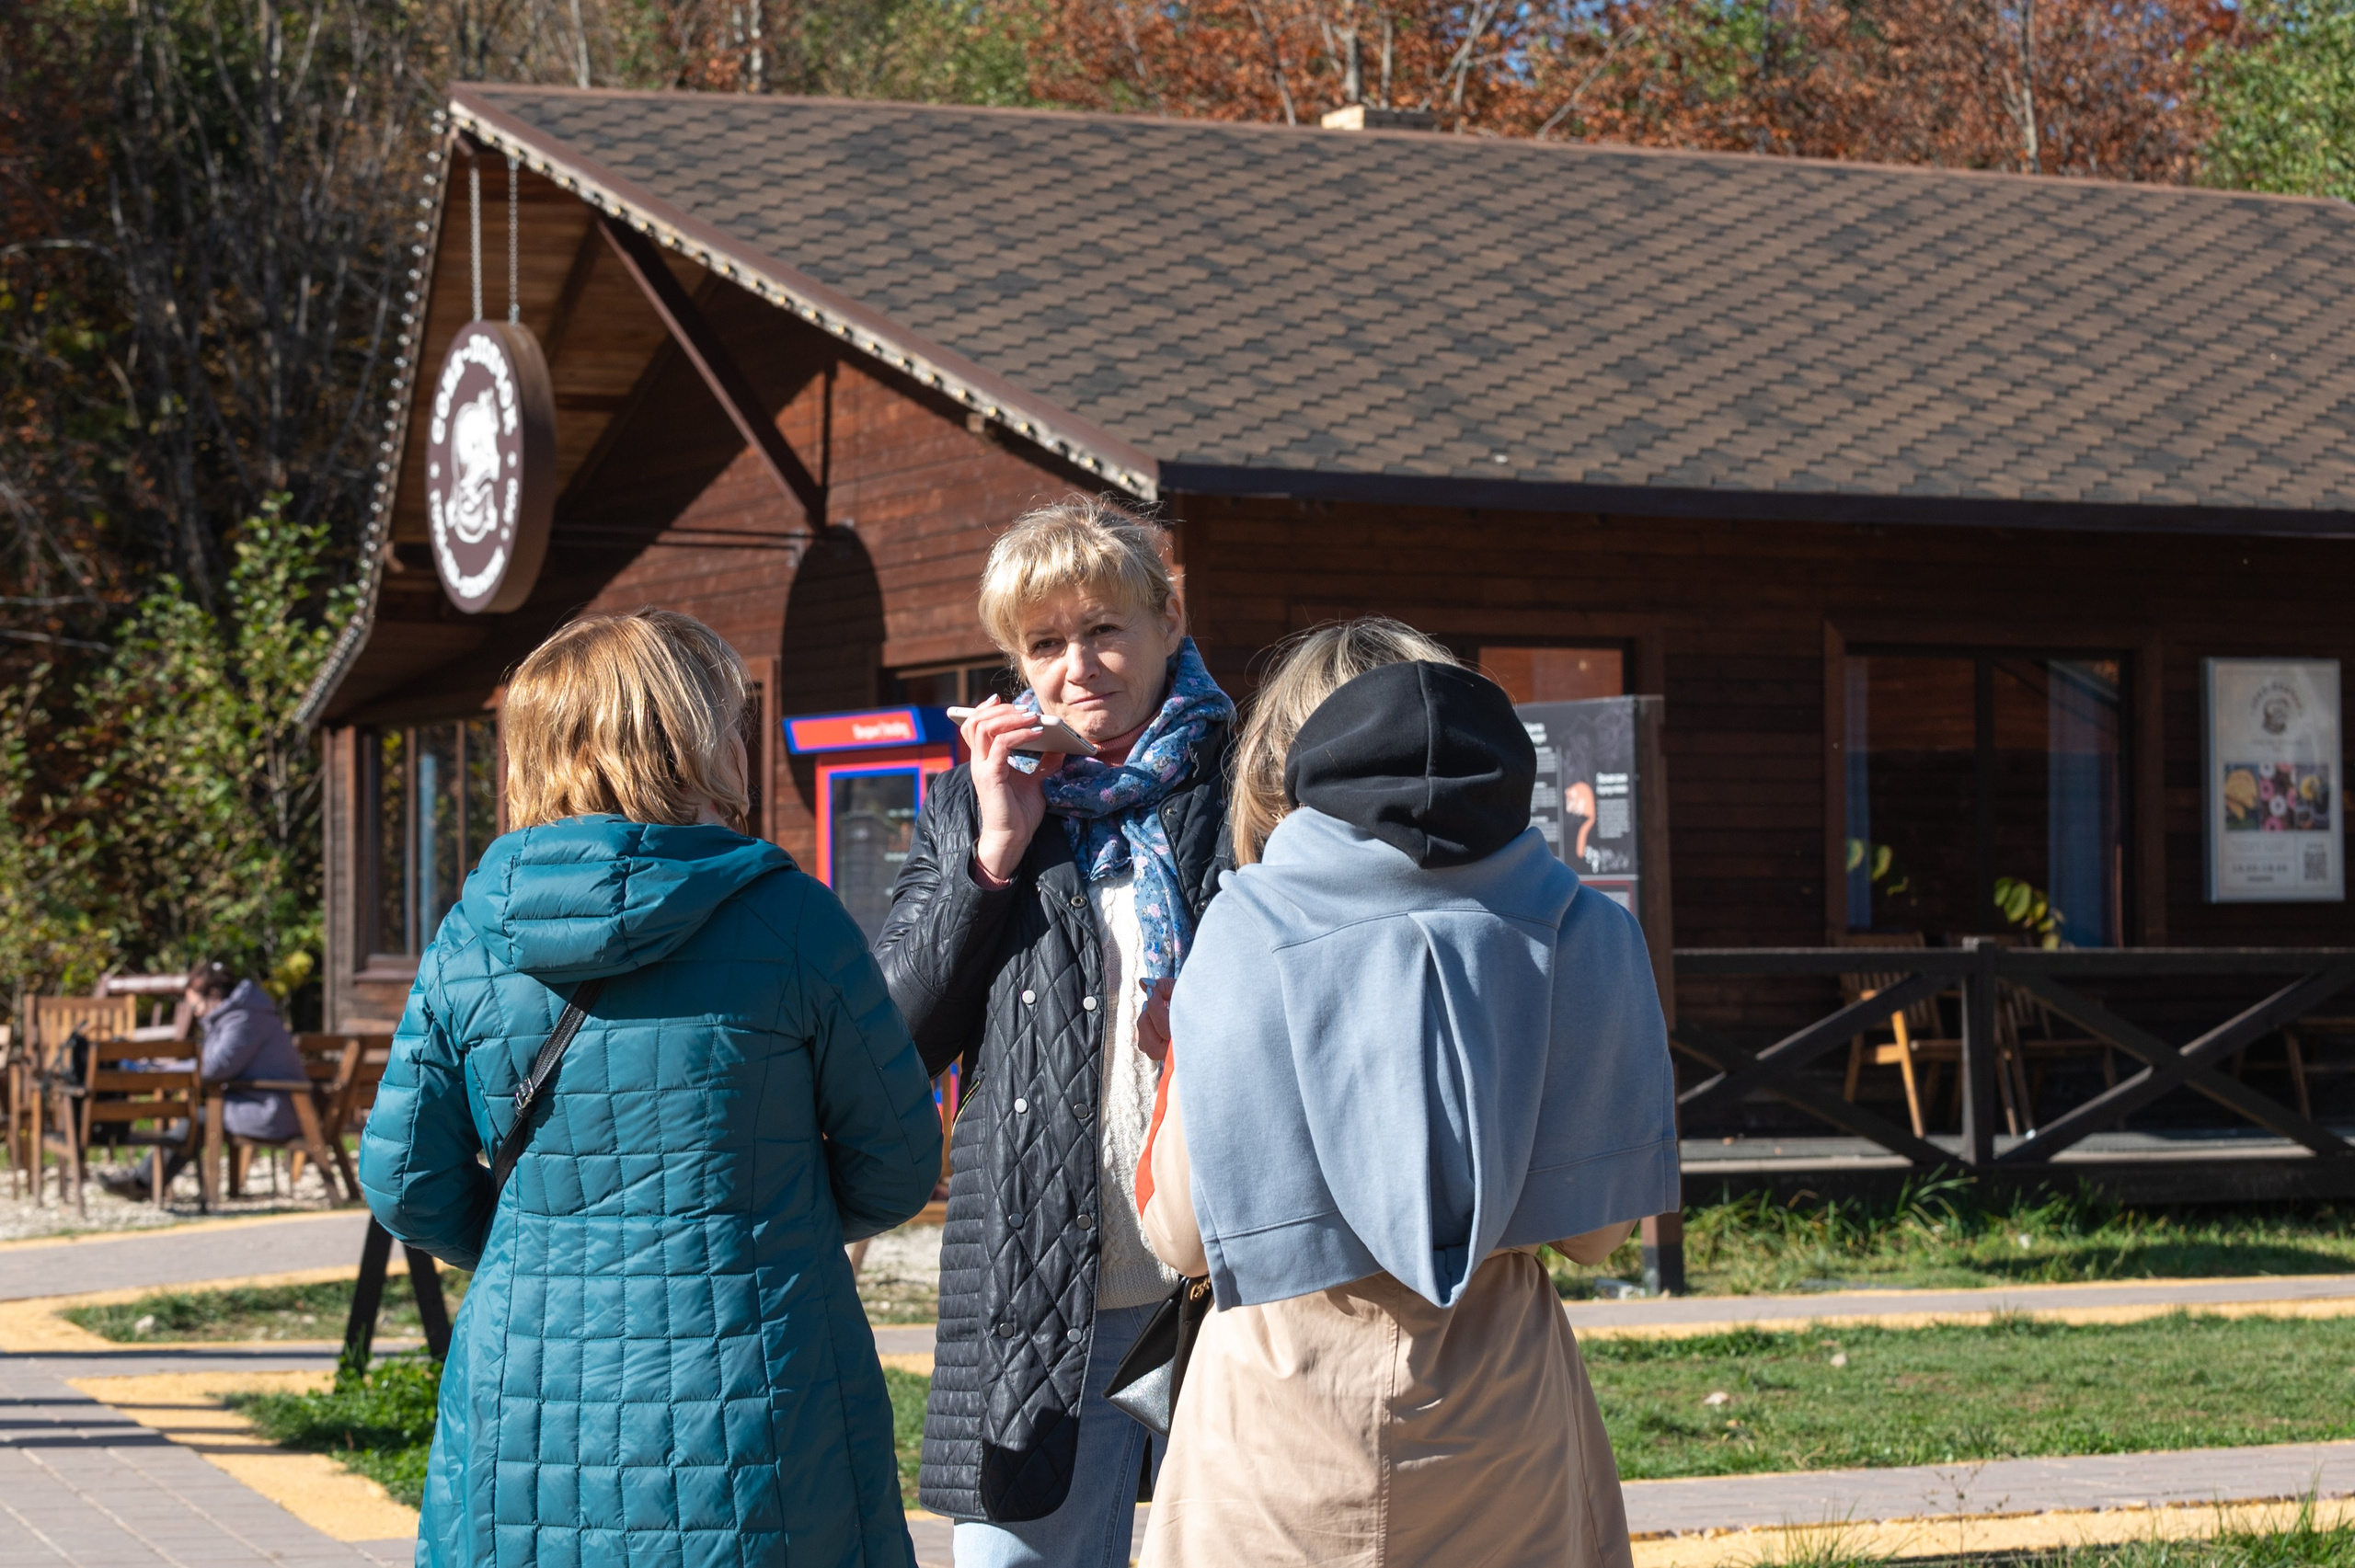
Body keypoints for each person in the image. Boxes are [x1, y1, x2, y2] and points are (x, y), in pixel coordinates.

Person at [358, 609, 942, 1568]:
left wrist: (537, 1244)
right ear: (689, 738)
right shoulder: (792, 919)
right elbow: (898, 1160)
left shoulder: (471, 934)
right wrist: (768, 1225)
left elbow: (404, 1181)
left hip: (526, 1382)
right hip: (757, 1384)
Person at [1137, 619, 1681, 1568]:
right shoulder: (1578, 920)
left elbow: (1181, 1235)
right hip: (1504, 1402)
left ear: (1282, 763)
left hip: (1281, 1403)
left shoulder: (1245, 931)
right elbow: (1597, 1234)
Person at [875, 496, 1235, 1564]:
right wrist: (992, 853)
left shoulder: (1251, 782)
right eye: (1044, 643)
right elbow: (895, 1032)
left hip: (1221, 1287)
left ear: (1167, 618)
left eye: (1104, 628)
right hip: (1038, 1292)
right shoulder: (975, 796)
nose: (1077, 665)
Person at [100, 959, 306, 1197]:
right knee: (196, 1115)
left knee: (195, 1116)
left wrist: (161, 1071)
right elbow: (210, 1063)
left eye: (196, 1007)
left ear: (214, 995)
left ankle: (143, 1182)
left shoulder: (244, 1019)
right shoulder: (238, 1015)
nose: (197, 1015)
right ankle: (145, 1182)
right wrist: (164, 1068)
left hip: (274, 1108)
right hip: (260, 1101)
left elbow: (215, 1067)